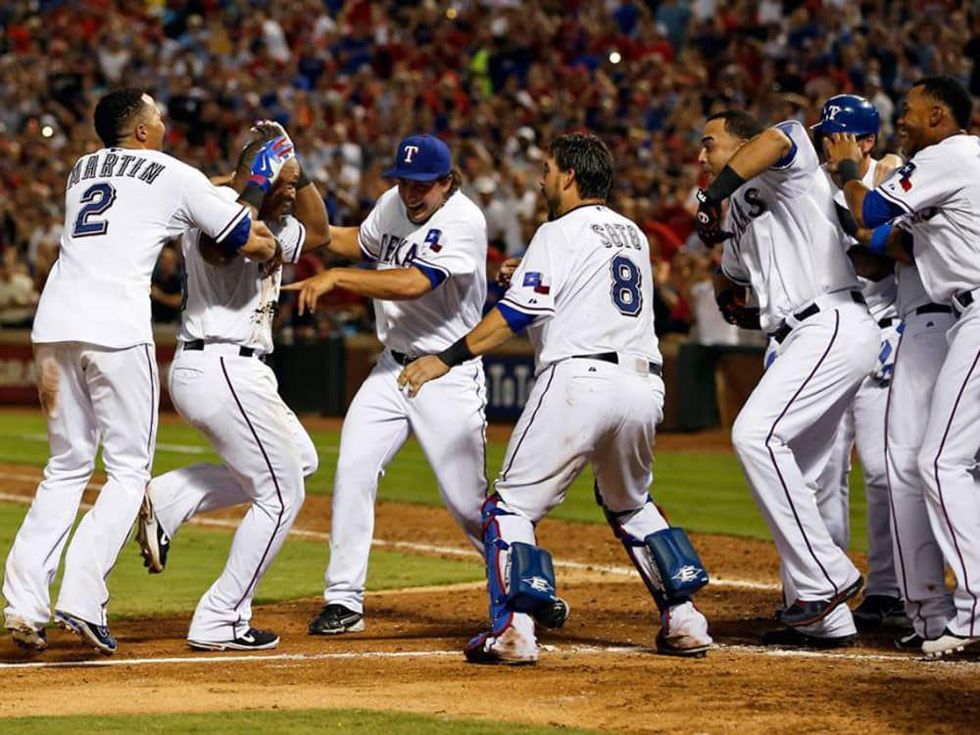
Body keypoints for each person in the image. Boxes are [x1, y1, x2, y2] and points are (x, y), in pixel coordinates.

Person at [397, 132, 713, 665]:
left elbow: (514, 317)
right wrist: (527, 272)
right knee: (631, 504)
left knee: (510, 506)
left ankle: (515, 629)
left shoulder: (558, 228)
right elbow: (588, 291)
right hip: (643, 384)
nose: (541, 178)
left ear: (569, 175)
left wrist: (444, 358)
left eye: (547, 169)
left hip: (579, 380)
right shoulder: (633, 232)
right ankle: (684, 618)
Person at [2, 88, 282, 654]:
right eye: (155, 115)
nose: (162, 122)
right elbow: (239, 236)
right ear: (140, 130)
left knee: (65, 467)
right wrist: (258, 179)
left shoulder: (83, 169)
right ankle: (82, 600)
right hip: (115, 331)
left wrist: (226, 182)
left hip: (54, 326)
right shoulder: (173, 173)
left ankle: (23, 603)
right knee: (129, 471)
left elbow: (160, 192)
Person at [284, 134, 491, 636]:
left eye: (421, 184)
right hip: (391, 368)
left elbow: (414, 282)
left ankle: (527, 580)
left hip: (446, 370)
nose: (410, 192)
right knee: (353, 469)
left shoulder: (463, 220)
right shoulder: (394, 204)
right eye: (402, 181)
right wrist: (296, 204)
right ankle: (344, 599)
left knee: (467, 502)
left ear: (447, 182)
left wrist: (337, 279)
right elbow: (352, 241)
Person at [135, 123, 330, 651]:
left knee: (301, 460)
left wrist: (295, 166)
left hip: (242, 370)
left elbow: (322, 234)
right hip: (219, 361)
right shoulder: (217, 208)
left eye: (294, 184)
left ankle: (170, 496)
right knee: (282, 493)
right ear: (255, 178)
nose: (290, 193)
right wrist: (256, 176)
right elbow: (223, 250)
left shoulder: (275, 220)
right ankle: (221, 616)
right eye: (282, 182)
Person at [697, 109, 879, 648]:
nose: (703, 155)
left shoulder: (789, 155)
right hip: (802, 332)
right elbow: (729, 275)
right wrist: (730, 295)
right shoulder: (745, 206)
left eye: (711, 143)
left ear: (740, 142)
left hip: (831, 322)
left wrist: (712, 195)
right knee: (807, 474)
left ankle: (830, 577)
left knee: (754, 435)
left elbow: (778, 139)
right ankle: (828, 618)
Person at [826, 76, 980, 658]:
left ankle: (974, 611)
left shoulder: (950, 155)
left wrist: (845, 168)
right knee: (907, 462)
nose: (903, 121)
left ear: (939, 114)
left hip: (971, 312)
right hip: (945, 317)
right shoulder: (951, 166)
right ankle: (932, 614)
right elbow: (888, 248)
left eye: (911, 112)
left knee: (942, 461)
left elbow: (869, 209)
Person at [809, 94, 908, 631]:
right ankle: (827, 583)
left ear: (865, 141)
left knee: (880, 468)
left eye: (836, 135)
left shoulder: (891, 173)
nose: (826, 143)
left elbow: (877, 256)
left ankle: (890, 589)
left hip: (884, 336)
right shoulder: (816, 183)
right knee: (825, 474)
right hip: (829, 339)